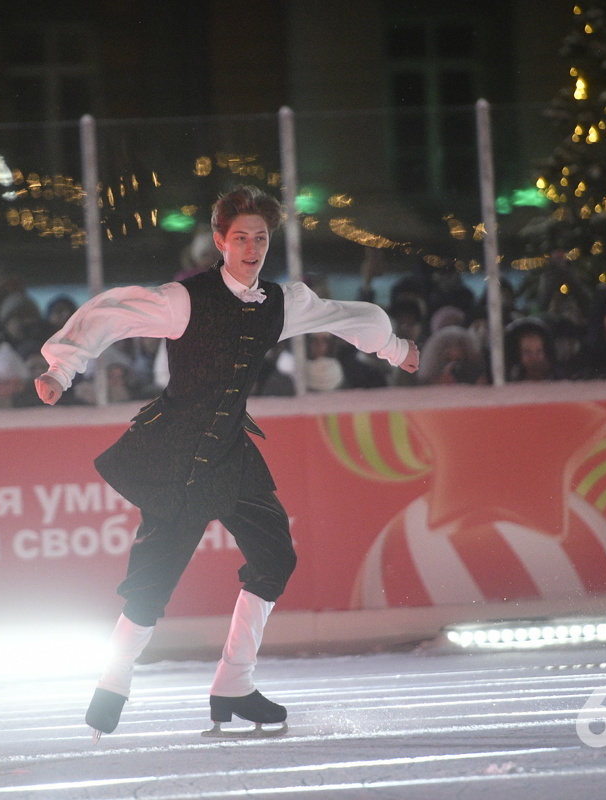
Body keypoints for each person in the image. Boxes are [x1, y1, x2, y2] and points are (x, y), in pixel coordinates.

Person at [34, 185, 420, 737]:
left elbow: (342, 315)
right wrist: (60, 370)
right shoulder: (184, 298)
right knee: (152, 581)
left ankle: (234, 682)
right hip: (173, 454)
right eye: (240, 237)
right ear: (220, 241)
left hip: (230, 454)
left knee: (275, 557)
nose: (252, 247)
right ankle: (112, 681)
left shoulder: (280, 304)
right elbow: (111, 312)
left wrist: (396, 349)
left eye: (260, 238)